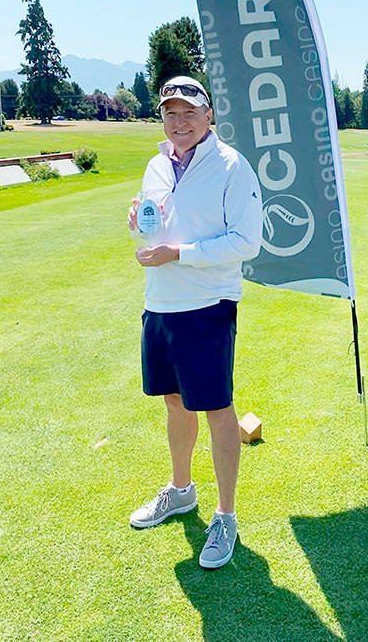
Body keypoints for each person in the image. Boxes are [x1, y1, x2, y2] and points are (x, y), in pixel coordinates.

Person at [128, 75, 262, 569]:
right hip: (160, 303)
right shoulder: (156, 164)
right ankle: (181, 491)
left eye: (188, 112)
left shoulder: (231, 166)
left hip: (207, 305)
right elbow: (158, 222)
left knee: (217, 408)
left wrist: (176, 252)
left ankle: (225, 516)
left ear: (209, 117)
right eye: (169, 112)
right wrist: (140, 222)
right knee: (173, 401)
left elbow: (246, 242)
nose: (178, 121)